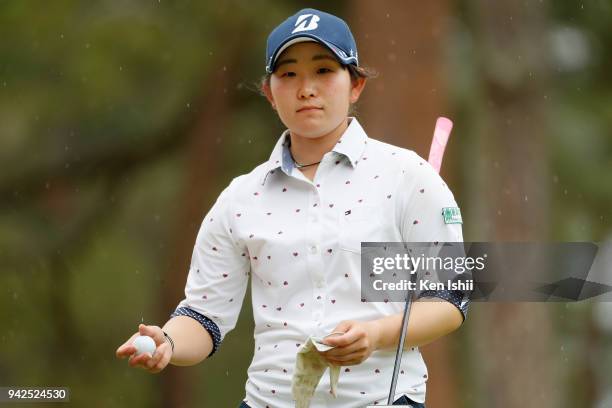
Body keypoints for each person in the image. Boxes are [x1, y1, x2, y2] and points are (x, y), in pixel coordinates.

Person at [116, 8, 469, 408]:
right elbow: (204, 317)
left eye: (323, 71)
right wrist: (170, 341)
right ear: (269, 92)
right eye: (288, 74)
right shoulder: (240, 199)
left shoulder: (407, 177)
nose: (306, 88)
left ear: (355, 85)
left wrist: (377, 335)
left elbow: (449, 301)